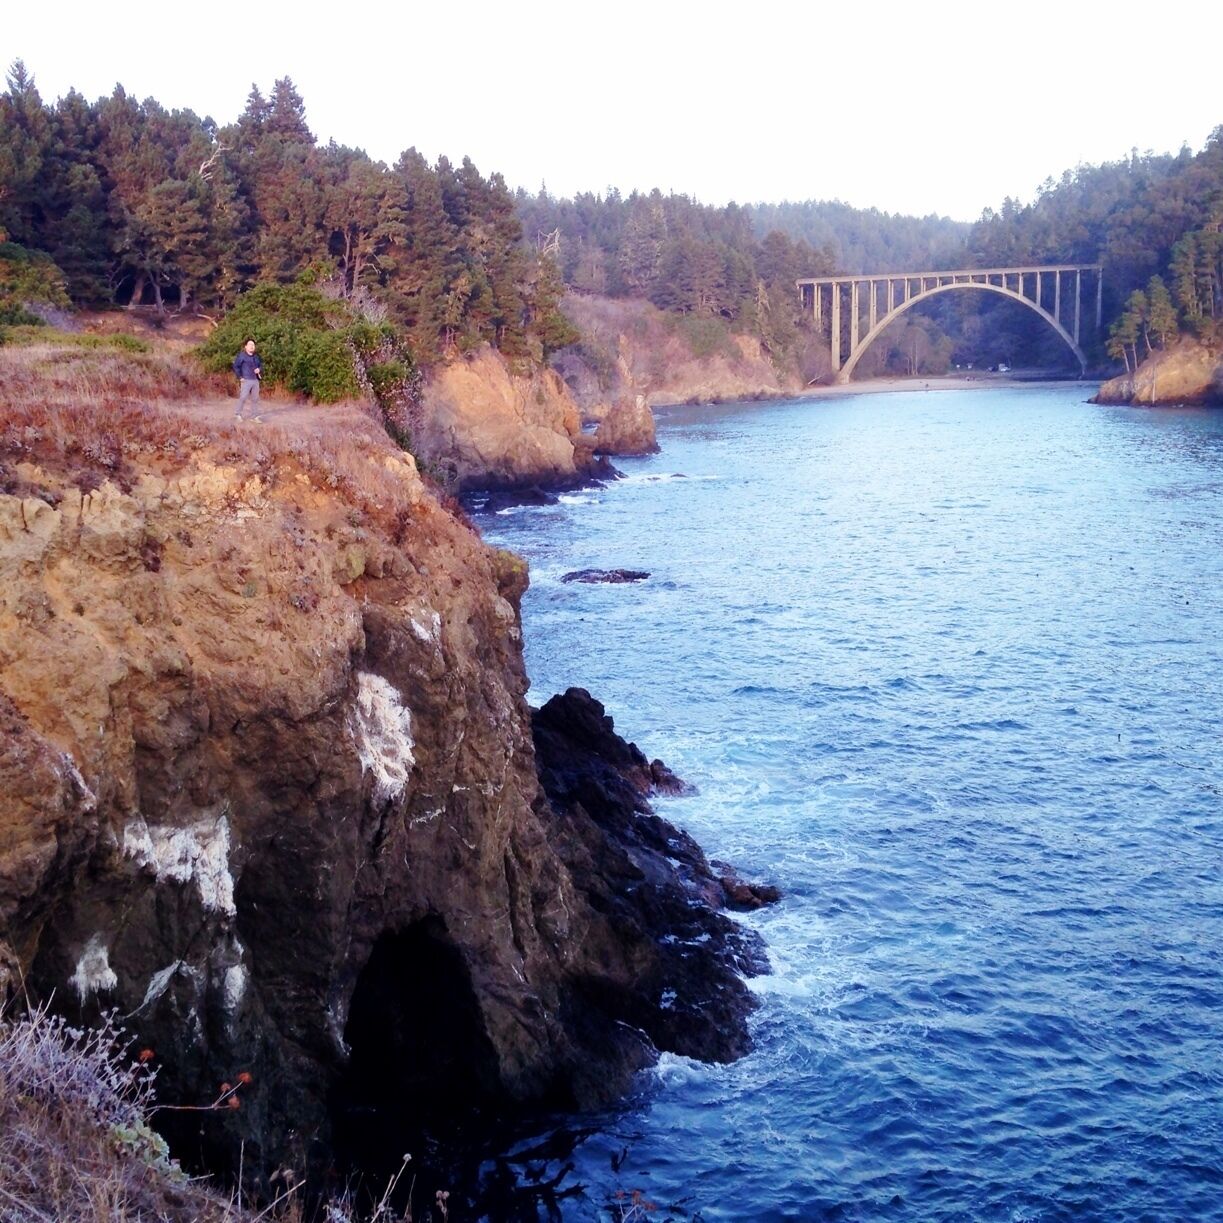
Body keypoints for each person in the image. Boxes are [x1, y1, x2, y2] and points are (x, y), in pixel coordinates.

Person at [232, 338, 263, 421]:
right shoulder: (242, 356)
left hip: (255, 380)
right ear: (246, 346)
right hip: (246, 380)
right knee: (243, 397)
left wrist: (259, 369)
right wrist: (240, 377)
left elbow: (261, 365)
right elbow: (236, 366)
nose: (252, 346)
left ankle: (254, 416)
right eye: (250, 345)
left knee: (255, 399)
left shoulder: (256, 357)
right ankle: (238, 414)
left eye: (253, 345)